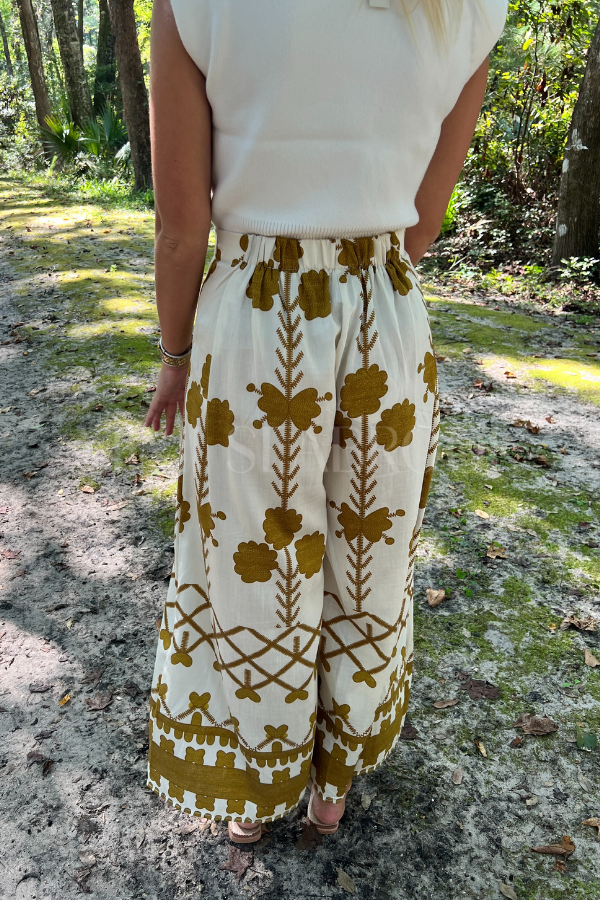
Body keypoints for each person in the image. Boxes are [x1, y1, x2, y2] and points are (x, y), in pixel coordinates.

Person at [145, 0, 508, 843]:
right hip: (388, 316)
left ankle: (256, 782)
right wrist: (358, 293)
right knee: (367, 558)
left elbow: (180, 230)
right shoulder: (471, 9)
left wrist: (175, 356)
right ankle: (332, 784)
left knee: (253, 561)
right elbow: (423, 222)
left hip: (254, 316)